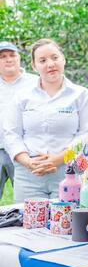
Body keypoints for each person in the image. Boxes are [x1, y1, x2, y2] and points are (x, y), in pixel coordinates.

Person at [3, 39, 88, 202]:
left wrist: (58, 158)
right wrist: (29, 162)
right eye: (42, 60)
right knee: (29, 225)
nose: (50, 64)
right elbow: (11, 134)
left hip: (70, 172)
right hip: (29, 174)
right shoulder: (23, 96)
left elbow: (86, 134)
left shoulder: (81, 94)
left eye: (55, 58)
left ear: (63, 59)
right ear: (34, 66)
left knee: (69, 224)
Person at [0, 41, 38, 199]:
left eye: (12, 55)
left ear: (19, 58)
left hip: (25, 152)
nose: (8, 59)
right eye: (2, 56)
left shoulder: (35, 82)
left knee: (29, 201)